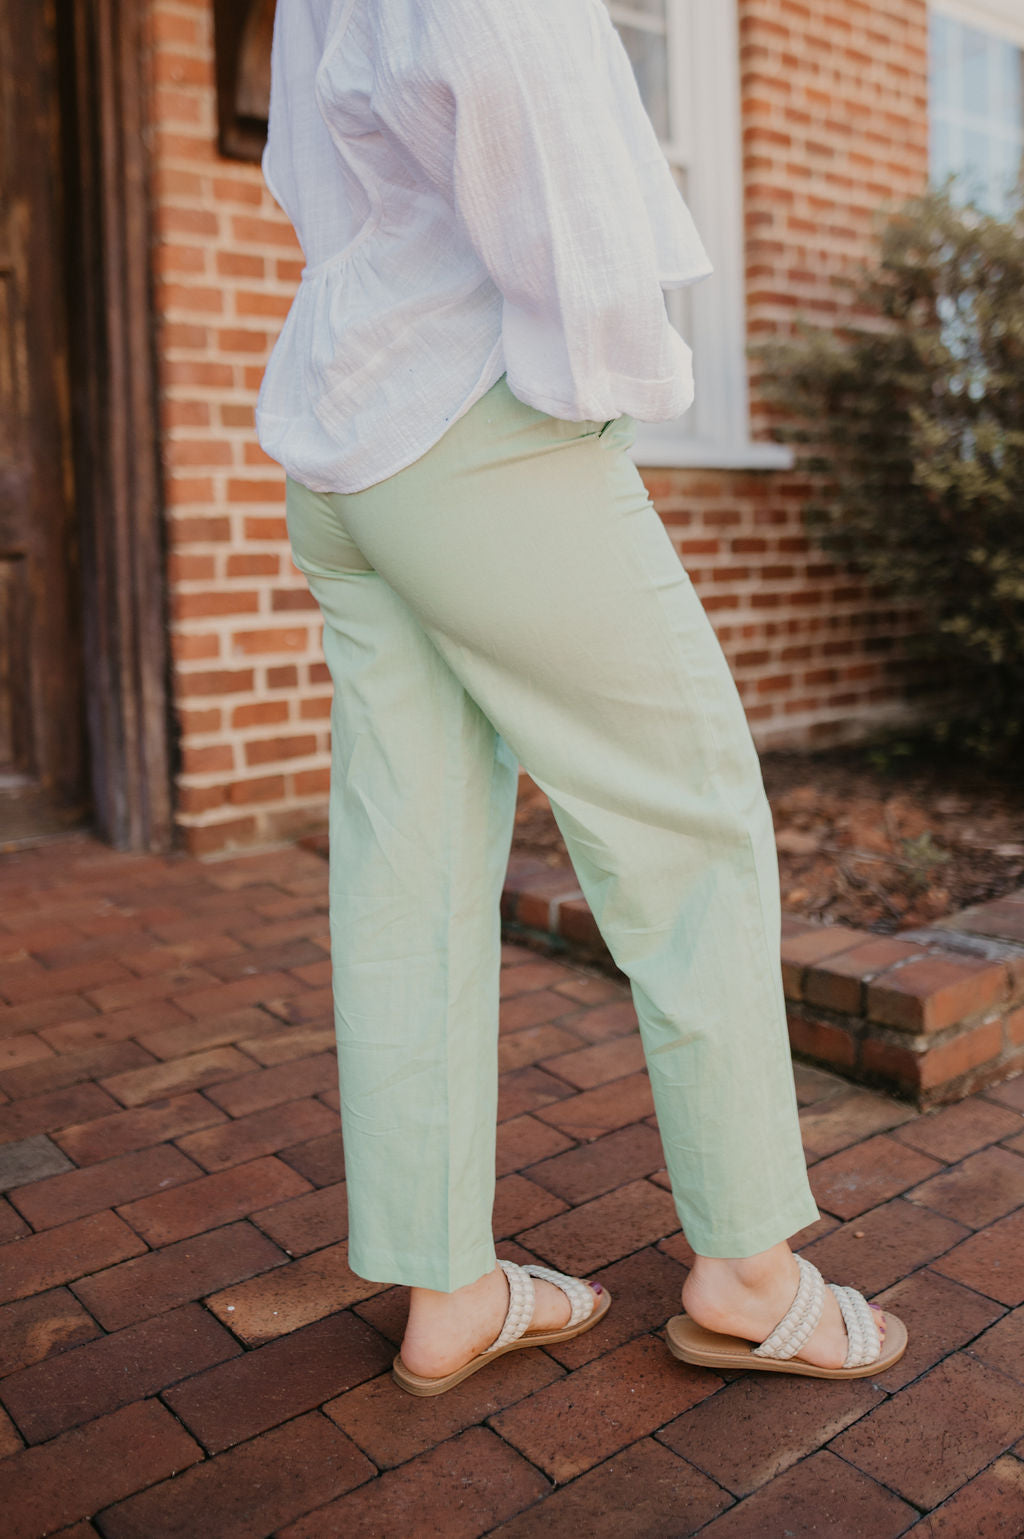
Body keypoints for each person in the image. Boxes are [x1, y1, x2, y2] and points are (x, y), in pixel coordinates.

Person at [256, 0, 907, 1396]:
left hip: (346, 424)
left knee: (409, 864)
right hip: (484, 425)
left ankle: (446, 1287)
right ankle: (748, 1277)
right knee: (691, 825)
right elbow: (526, 89)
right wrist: (617, 377)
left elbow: (314, 170)